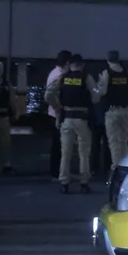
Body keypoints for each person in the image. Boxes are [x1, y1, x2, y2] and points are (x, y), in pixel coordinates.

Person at [45, 54, 96, 193]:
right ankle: (84, 182)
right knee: (84, 153)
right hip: (82, 119)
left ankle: (64, 182)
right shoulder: (86, 77)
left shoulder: (63, 77)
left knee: (65, 152)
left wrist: (57, 107)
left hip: (67, 118)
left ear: (70, 64)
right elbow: (95, 97)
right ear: (82, 64)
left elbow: (48, 95)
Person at [96, 50, 128, 172]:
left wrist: (97, 85)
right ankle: (125, 168)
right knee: (123, 142)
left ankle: (116, 169)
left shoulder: (106, 73)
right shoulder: (127, 74)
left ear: (107, 60)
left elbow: (101, 92)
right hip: (125, 111)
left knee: (114, 143)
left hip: (112, 112)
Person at [46, 50, 71, 179]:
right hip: (57, 114)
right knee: (59, 145)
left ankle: (59, 171)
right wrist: (58, 108)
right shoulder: (59, 76)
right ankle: (56, 172)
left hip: (55, 113)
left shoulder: (55, 73)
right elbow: (49, 95)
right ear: (67, 63)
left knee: (59, 144)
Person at [90, 93, 111, 176]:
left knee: (95, 146)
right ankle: (106, 168)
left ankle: (95, 168)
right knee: (107, 146)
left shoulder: (95, 92)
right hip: (105, 119)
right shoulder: (107, 92)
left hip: (96, 120)